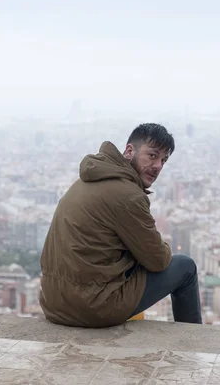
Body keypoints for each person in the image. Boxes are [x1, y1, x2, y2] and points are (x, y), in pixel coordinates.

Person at [40, 123, 202, 328]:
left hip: (54, 303)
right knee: (185, 267)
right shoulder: (128, 196)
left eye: (164, 160)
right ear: (129, 151)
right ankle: (194, 341)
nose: (158, 165)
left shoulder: (88, 179)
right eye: (152, 155)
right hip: (91, 307)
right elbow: (158, 261)